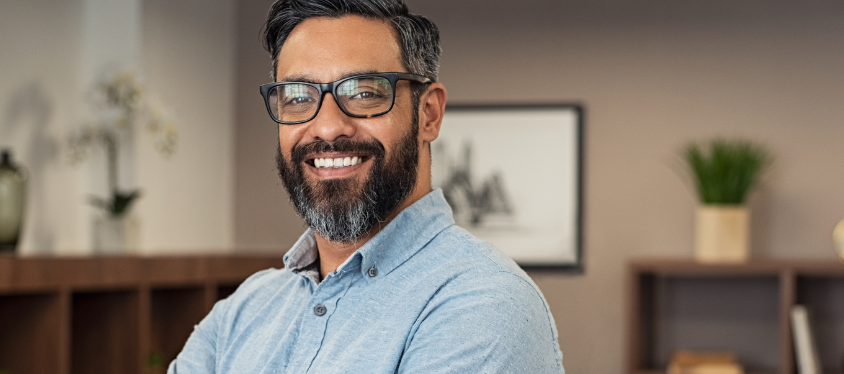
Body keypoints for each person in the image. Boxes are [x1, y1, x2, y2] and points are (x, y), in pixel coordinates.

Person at [169, 0, 564, 372]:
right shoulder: (243, 312)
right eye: (298, 96)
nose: (326, 127)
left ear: (428, 114)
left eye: (362, 93)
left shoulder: (483, 303)